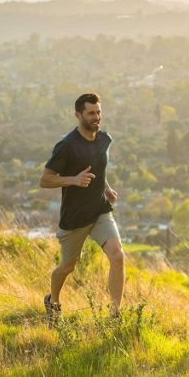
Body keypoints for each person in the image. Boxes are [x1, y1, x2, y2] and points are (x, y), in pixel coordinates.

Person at [39, 93, 124, 323]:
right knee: (67, 267)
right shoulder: (67, 146)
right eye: (91, 113)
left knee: (117, 256)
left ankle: (115, 315)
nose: (96, 117)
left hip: (99, 211)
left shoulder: (104, 139)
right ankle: (53, 301)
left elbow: (97, 166)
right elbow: (45, 180)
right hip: (74, 219)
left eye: (98, 112)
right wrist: (73, 180)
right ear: (78, 115)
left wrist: (105, 188)